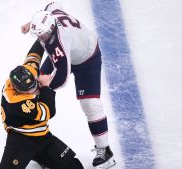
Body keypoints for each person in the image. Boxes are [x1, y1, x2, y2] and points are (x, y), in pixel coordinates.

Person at [0, 44, 84, 169]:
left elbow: (33, 56)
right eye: (30, 89)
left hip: (43, 136)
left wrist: (43, 37)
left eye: (34, 84)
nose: (35, 88)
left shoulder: (25, 74)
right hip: (21, 140)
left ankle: (43, 158)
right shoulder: (17, 103)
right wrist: (46, 87)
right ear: (19, 90)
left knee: (75, 167)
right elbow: (48, 112)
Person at [20, 2, 116, 168]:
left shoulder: (60, 44)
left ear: (51, 29)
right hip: (75, 48)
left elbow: (62, 78)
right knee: (35, 85)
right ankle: (40, 145)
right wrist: (32, 23)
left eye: (42, 35)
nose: (40, 39)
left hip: (87, 59)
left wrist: (45, 86)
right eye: (38, 35)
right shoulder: (51, 19)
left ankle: (105, 150)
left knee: (90, 104)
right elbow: (53, 4)